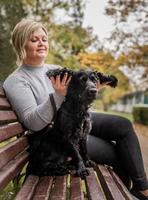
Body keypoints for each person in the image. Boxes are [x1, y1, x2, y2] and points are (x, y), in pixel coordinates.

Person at [3, 19, 148, 200]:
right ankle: (125, 195)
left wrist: (90, 90)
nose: (42, 43)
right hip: (56, 136)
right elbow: (33, 122)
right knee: (113, 152)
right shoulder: (16, 81)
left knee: (123, 125)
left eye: (44, 39)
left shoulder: (54, 69)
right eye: (34, 40)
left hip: (75, 120)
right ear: (21, 44)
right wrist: (58, 95)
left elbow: (79, 92)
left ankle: (142, 188)